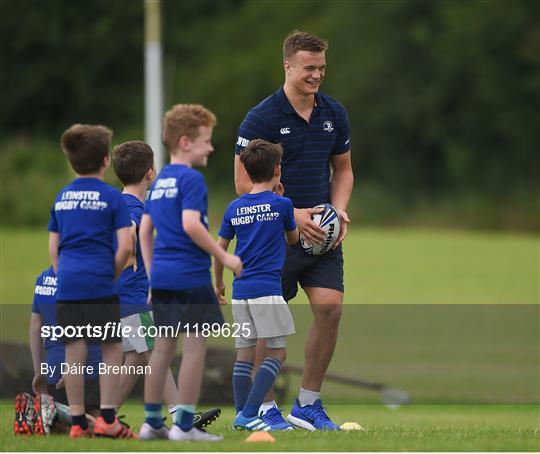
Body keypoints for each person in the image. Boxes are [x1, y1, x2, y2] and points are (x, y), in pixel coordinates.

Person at [234, 31, 354, 431]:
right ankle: (264, 409)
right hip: (272, 239)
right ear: (287, 66)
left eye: (321, 67)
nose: (316, 74)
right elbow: (241, 184)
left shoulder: (333, 113)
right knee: (268, 326)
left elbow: (344, 169)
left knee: (330, 309)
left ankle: (307, 404)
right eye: (309, 68)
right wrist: (294, 213)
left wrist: (338, 209)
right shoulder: (261, 117)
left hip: (321, 238)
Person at [138, 104, 242, 442]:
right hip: (190, 274)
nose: (211, 147)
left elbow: (144, 231)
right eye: (206, 141)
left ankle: (152, 423)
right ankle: (183, 426)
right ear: (185, 142)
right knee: (195, 346)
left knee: (163, 349)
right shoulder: (190, 179)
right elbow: (190, 225)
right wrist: (224, 257)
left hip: (164, 277)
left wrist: (152, 277)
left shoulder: (160, 180)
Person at [111, 140, 221, 430]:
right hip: (134, 293)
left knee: (141, 355)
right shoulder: (135, 207)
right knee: (150, 352)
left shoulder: (115, 202)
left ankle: (109, 417)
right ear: (150, 173)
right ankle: (176, 415)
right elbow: (133, 229)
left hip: (122, 293)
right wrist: (130, 253)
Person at [48, 124, 136, 438]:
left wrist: (64, 278)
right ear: (104, 161)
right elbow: (126, 247)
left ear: (72, 162)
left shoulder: (62, 197)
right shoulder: (113, 198)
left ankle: (76, 424)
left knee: (74, 352)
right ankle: (108, 420)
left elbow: (53, 248)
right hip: (100, 284)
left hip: (68, 284)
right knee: (112, 349)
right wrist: (108, 276)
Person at [215, 139, 299, 431]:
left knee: (245, 353)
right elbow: (293, 239)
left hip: (240, 292)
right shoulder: (282, 204)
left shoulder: (234, 207)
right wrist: (282, 202)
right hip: (268, 290)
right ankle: (250, 413)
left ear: (247, 171)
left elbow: (220, 248)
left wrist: (218, 284)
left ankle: (241, 416)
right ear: (277, 169)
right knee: (277, 352)